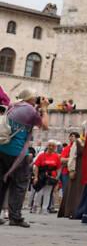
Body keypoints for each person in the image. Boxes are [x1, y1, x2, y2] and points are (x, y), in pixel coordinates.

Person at [0, 88, 48, 227]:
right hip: (16, 153)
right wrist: (44, 109)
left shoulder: (14, 106)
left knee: (2, 183)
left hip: (2, 148)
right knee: (20, 184)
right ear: (30, 98)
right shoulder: (29, 110)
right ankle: (15, 217)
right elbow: (44, 125)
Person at [32, 139, 61, 214]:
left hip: (51, 177)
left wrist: (57, 178)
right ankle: (35, 206)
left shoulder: (56, 156)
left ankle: (44, 208)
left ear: (55, 147)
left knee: (47, 193)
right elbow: (36, 166)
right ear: (47, 146)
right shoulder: (42, 155)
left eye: (53, 146)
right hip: (42, 176)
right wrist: (35, 177)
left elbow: (58, 168)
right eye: (49, 145)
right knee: (39, 192)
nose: (51, 147)